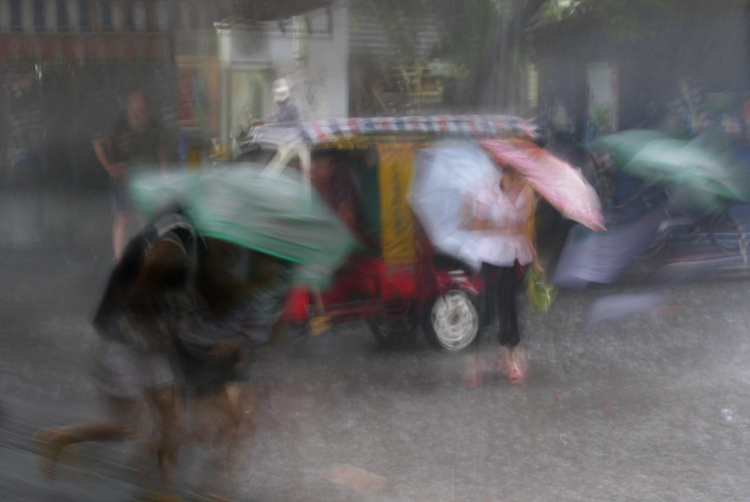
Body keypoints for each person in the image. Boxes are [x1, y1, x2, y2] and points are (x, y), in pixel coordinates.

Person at [463, 166, 540, 386]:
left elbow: (529, 228)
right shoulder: (487, 194)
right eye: (511, 176)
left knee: (510, 307)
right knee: (486, 310)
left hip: (516, 258)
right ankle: (473, 360)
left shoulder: (527, 194)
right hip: (492, 258)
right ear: (503, 174)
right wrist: (502, 226)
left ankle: (511, 356)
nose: (515, 180)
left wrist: (536, 258)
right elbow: (477, 225)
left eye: (518, 177)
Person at [93, 89, 168, 262]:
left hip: (150, 179)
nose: (135, 112)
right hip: (127, 180)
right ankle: (120, 261)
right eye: (132, 107)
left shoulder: (154, 126)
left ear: (147, 109)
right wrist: (108, 167)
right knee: (123, 218)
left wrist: (164, 177)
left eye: (140, 108)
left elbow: (160, 152)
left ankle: (144, 257)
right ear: (127, 108)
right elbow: (97, 143)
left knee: (146, 217)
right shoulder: (119, 126)